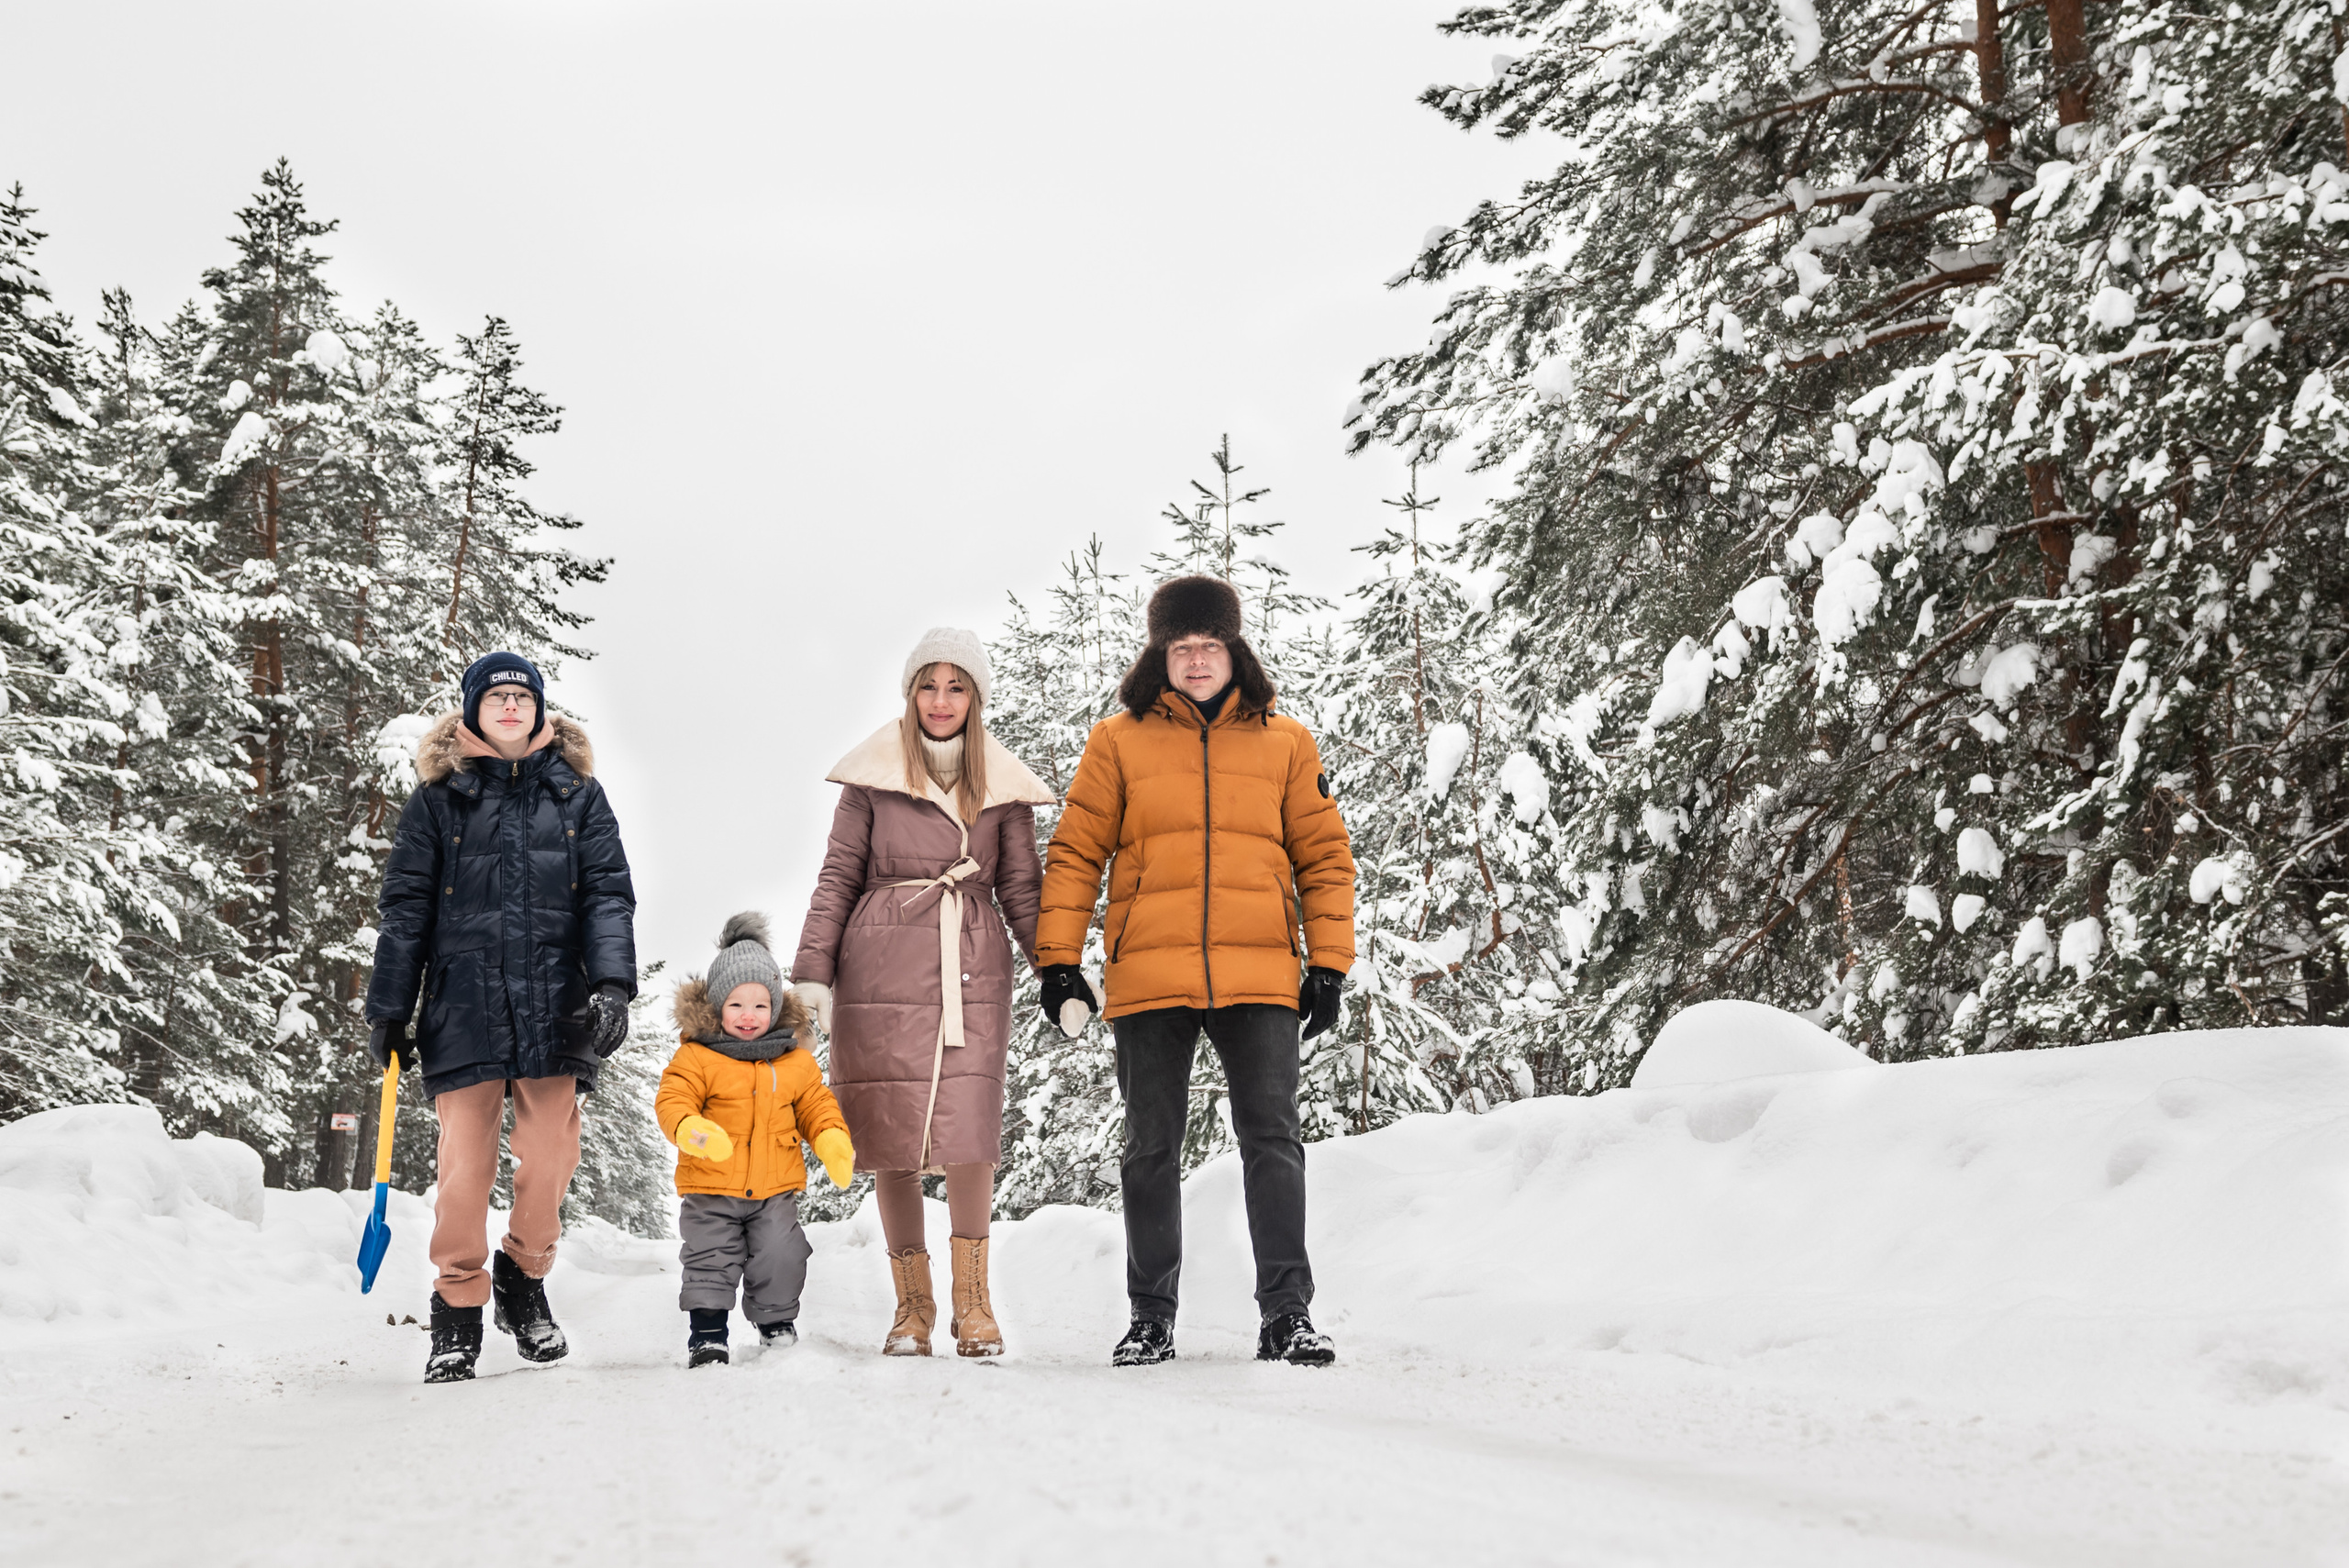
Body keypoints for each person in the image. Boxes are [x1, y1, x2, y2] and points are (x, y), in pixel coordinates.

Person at [1034, 575, 1354, 1367]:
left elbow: (1323, 857)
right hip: (1150, 973)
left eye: (1210, 645)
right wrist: (1059, 962)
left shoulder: (1286, 741)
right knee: (1150, 1147)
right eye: (1182, 647)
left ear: (1233, 649)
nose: (1198, 660)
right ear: (1162, 655)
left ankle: (1286, 1313)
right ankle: (1151, 1315)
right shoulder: (1118, 741)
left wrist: (1329, 965)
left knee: (1273, 1140)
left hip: (1262, 975)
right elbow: (1077, 851)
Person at [365, 651, 638, 1384]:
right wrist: (391, 1007)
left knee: (549, 1155)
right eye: (498, 697)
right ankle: (456, 1310)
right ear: (473, 710)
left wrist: (611, 985)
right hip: (463, 1002)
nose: (512, 706)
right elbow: (406, 911)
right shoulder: (436, 802)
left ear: (541, 710)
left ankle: (524, 1276)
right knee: (463, 1171)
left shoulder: (578, 795)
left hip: (556, 1003)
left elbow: (607, 897)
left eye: (524, 695)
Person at [791, 628, 1058, 1357]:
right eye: (929, 685)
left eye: (957, 686)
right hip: (880, 962)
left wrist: (1056, 969)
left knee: (970, 1126)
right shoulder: (872, 778)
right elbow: (838, 875)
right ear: (910, 693)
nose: (941, 700)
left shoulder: (1002, 786)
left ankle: (974, 1304)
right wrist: (812, 970)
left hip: (970, 959)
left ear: (977, 696)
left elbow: (1023, 892)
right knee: (893, 1130)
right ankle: (913, 1308)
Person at [656, 913, 854, 1367]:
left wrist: (830, 1139)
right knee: (710, 1257)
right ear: (716, 1007)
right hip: (710, 1189)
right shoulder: (697, 1057)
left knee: (782, 1254)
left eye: (761, 1006)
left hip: (775, 1189)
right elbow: (673, 1101)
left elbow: (815, 1105)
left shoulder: (795, 1063)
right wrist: (692, 1130)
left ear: (777, 1009)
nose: (749, 1016)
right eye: (737, 1005)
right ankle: (708, 1334)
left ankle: (777, 1324)